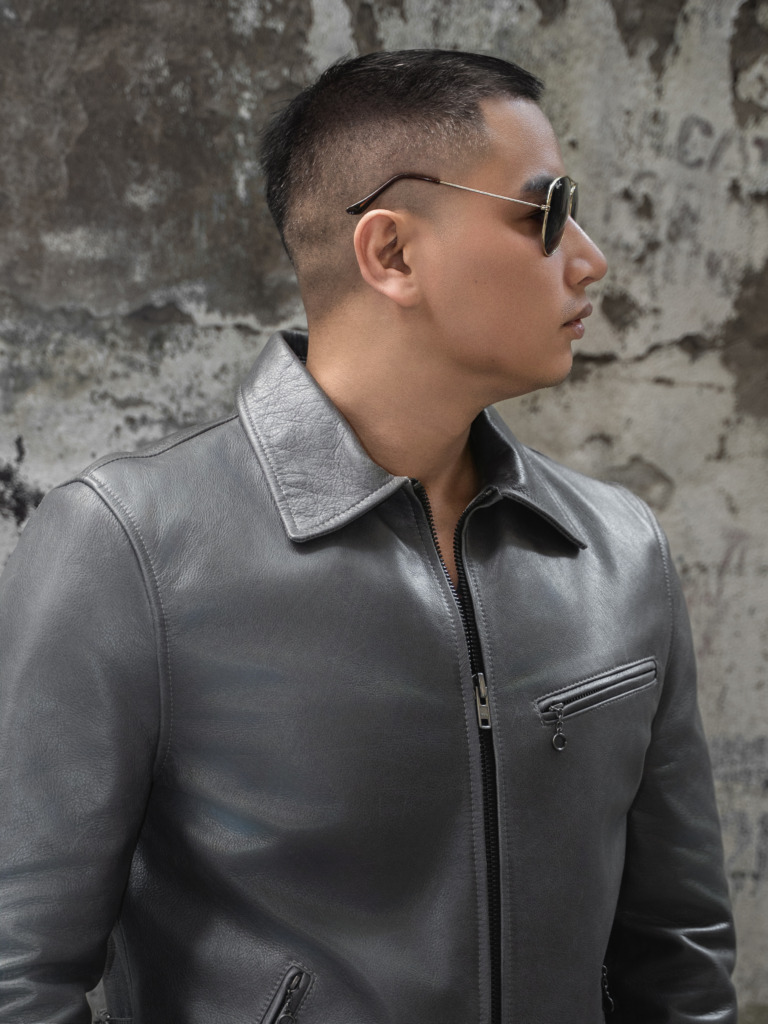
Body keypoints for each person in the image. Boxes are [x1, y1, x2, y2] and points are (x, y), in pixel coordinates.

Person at [0, 49, 736, 1024]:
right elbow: (17, 974)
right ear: (391, 252)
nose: (590, 257)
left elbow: (679, 956)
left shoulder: (616, 552)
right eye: (546, 213)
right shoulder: (130, 547)